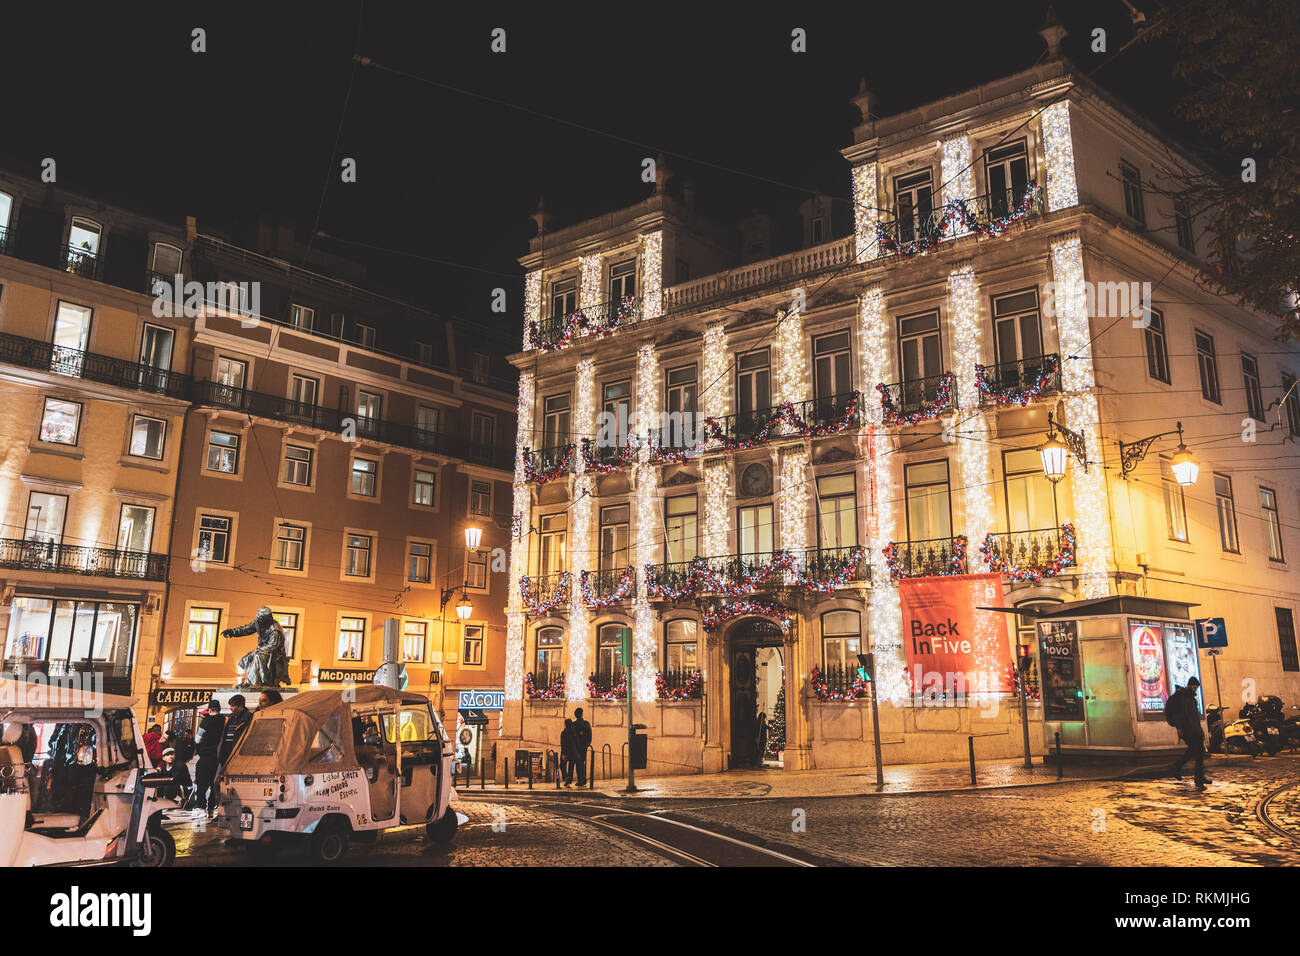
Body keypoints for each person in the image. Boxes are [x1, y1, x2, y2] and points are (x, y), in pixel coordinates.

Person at [1170, 676, 1211, 790]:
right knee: (1197, 750)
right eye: (1193, 687)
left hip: (1195, 729)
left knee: (1198, 751)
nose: (1195, 689)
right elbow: (1177, 713)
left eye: (1196, 688)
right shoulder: (1180, 697)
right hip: (1187, 729)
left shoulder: (1192, 698)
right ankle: (1198, 778)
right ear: (1189, 685)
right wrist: (1179, 728)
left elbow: (1194, 716)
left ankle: (1179, 768)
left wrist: (1199, 730)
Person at [193, 700, 226, 816]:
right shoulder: (224, 720)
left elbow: (198, 739)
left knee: (201, 784)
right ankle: (211, 809)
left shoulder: (206, 721)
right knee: (214, 784)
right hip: (217, 758)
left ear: (210, 709)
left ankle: (201, 807)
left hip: (206, 756)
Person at [219, 695, 253, 768]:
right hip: (227, 752)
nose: (231, 708)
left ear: (241, 705)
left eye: (233, 706)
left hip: (238, 753)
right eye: (231, 706)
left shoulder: (248, 718)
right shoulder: (230, 717)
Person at [571, 707, 592, 787]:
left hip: (577, 747)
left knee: (578, 763)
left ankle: (581, 779)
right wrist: (587, 744)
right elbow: (589, 736)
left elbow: (573, 737)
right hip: (583, 747)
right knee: (582, 762)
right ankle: (583, 778)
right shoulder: (586, 724)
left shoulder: (574, 725)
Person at [559, 718, 575, 787]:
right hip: (573, 752)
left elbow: (563, 744)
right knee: (571, 766)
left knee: (562, 765)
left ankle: (566, 778)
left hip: (565, 752)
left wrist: (563, 754)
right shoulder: (574, 733)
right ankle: (569, 779)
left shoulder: (564, 733)